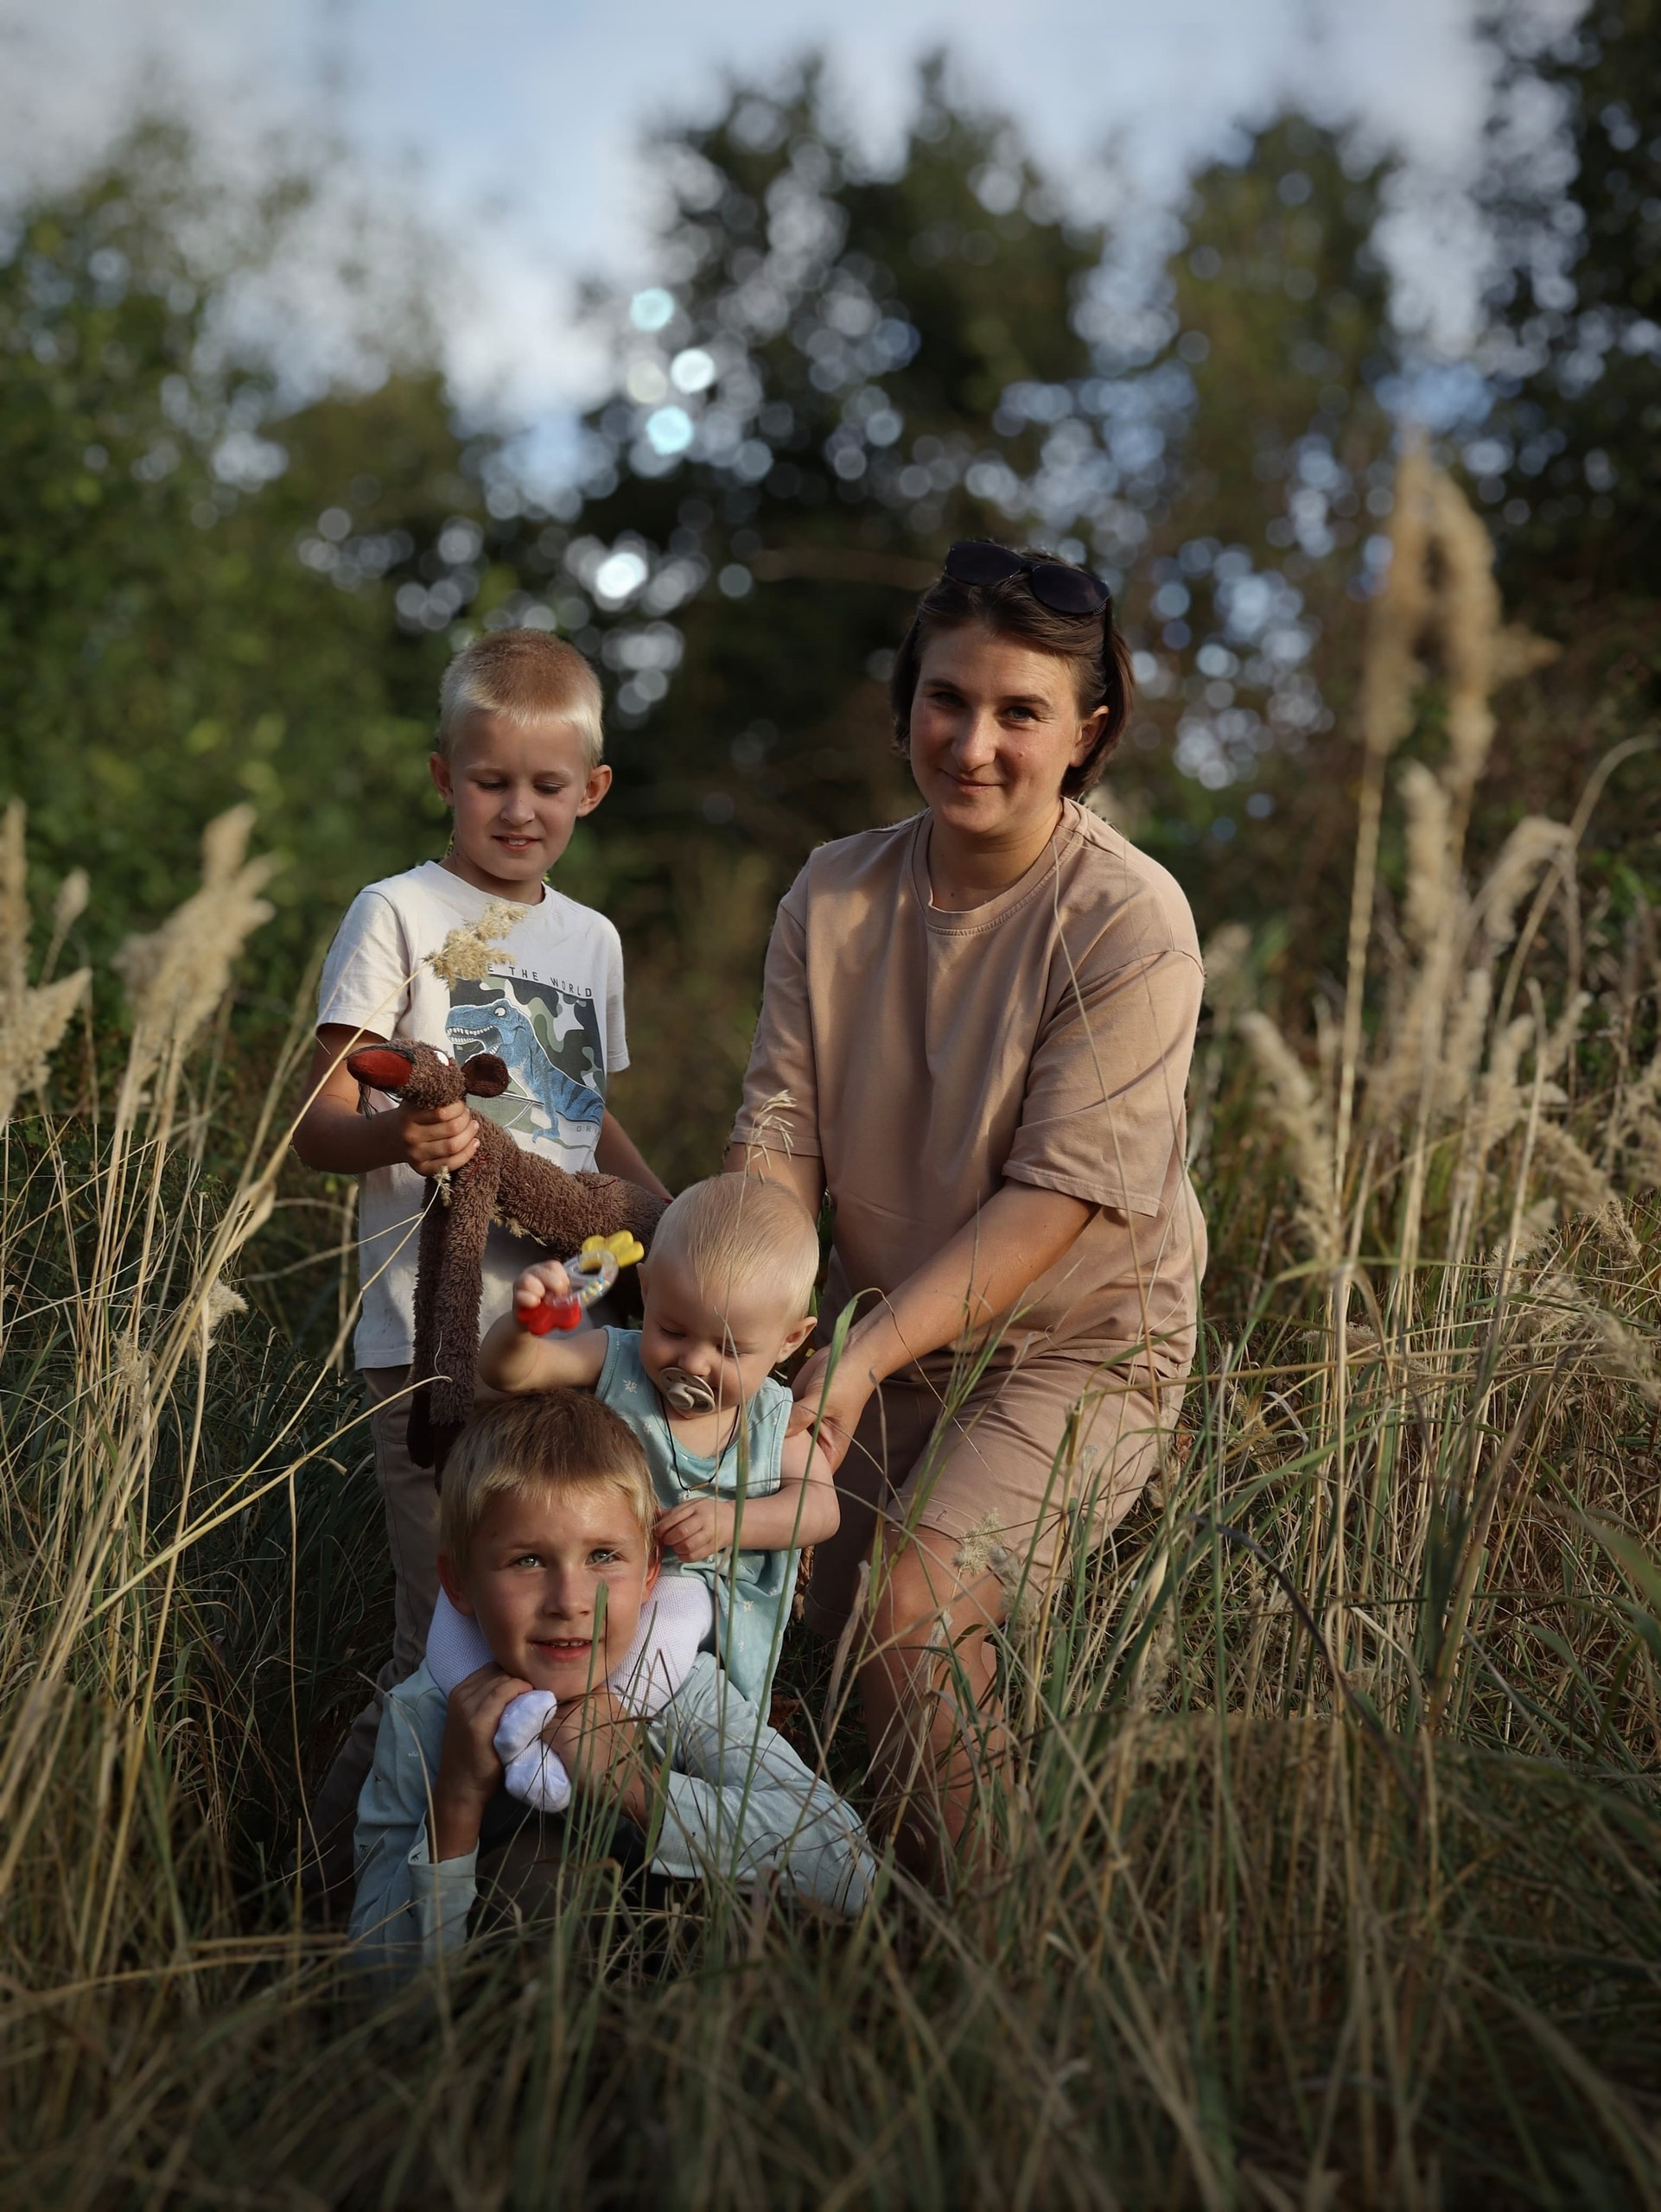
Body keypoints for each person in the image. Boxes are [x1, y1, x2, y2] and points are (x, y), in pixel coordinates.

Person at [724, 540, 1206, 1878]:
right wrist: (759, 1343)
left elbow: (1054, 1205)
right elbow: (776, 1140)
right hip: (873, 1329)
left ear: (1086, 732)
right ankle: (809, 1948)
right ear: (905, 700)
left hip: (1076, 1341)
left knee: (911, 1614)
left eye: (1019, 711)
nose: (973, 742)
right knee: (737, 1597)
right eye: (947, 699)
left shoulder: (1128, 923)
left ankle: (1010, 1987)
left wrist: (861, 1359)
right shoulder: (832, 891)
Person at [292, 627, 670, 1892]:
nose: (519, 808)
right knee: (442, 1643)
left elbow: (579, 1113)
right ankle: (333, 1881)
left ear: (591, 791)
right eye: (490, 779)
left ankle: (520, 1889)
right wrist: (405, 1130)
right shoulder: (397, 913)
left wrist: (669, 1212)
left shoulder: (594, 943)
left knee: (552, 1637)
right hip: (431, 1348)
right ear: (442, 774)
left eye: (547, 785)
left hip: (568, 1345)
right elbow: (313, 1122)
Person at [348, 1392, 874, 1974]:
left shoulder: (679, 1687)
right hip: (515, 2024)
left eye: (603, 1556)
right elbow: (376, 1989)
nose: (570, 1602)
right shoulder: (425, 1714)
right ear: (460, 1582)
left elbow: (849, 1865)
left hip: (695, 1999)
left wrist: (642, 1789)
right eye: (527, 1561)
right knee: (540, 1884)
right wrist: (456, 1802)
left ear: (651, 1571)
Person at [474, 1175, 837, 1709]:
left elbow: (822, 1509)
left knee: (677, 1601)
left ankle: (606, 1722)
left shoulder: (770, 1417)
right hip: (591, 1579)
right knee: (468, 1615)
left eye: (728, 1350)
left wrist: (733, 1521)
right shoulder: (616, 1362)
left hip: (695, 1591)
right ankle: (509, 1717)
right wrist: (523, 1326)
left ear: (790, 1341)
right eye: (671, 1330)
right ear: (646, 1292)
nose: (693, 1362)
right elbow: (513, 1373)